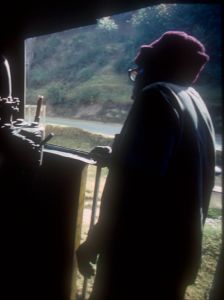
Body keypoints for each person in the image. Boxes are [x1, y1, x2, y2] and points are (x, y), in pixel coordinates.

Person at [76, 31, 216, 300]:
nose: (135, 79)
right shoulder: (195, 101)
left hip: (139, 257)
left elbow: (135, 190)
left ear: (154, 67)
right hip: (177, 256)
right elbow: (173, 167)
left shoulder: (155, 97)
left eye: (138, 70)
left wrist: (94, 242)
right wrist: (120, 155)